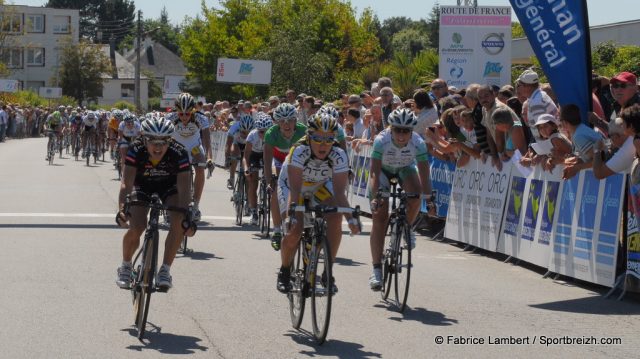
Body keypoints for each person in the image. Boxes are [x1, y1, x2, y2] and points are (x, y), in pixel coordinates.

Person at [275, 113, 360, 293]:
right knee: (295, 229)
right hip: (293, 186)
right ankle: (284, 271)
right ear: (309, 136)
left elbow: (339, 193)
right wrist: (291, 215)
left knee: (336, 217)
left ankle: (328, 271)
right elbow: (295, 190)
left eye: (329, 139)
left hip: (320, 187)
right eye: (318, 138)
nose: (323, 144)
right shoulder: (299, 151)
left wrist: (351, 219)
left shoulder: (339, 154)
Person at [115, 117, 197, 290]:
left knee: (178, 222)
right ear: (144, 139)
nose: (158, 147)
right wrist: (122, 209)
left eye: (164, 142)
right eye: (153, 142)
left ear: (171, 140)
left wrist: (187, 217)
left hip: (169, 185)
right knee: (137, 226)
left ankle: (165, 270)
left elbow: (184, 188)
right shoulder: (135, 149)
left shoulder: (179, 152)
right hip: (141, 184)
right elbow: (126, 183)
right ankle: (126, 265)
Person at [367, 108, 433, 290]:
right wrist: (375, 197)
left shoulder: (418, 143)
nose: (402, 134)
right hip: (383, 172)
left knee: (416, 194)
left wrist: (430, 197)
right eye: (398, 129)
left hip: (405, 169)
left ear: (412, 131)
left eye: (406, 130)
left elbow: (425, 175)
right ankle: (376, 270)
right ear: (391, 128)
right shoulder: (381, 141)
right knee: (379, 218)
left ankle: (407, 228)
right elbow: (374, 172)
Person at [263, 103, 307, 250]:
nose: (286, 124)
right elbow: (267, 160)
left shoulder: (303, 131)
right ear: (277, 122)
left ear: (296, 120)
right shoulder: (271, 133)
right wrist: (269, 181)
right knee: (275, 188)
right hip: (279, 160)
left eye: (290, 120)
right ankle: (276, 230)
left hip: (297, 160)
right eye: (282, 121)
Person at [171, 93, 212, 221]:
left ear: (192, 111)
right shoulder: (170, 118)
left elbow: (207, 140)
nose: (184, 117)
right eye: (181, 114)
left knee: (201, 166)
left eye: (187, 114)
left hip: (194, 147)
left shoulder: (201, 118)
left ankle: (195, 205)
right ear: (176, 111)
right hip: (177, 147)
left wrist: (209, 157)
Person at [555, 104, 603, 179]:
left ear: (564, 122)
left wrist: (576, 168)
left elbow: (598, 160)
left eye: (559, 119)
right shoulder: (580, 130)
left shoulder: (578, 136)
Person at [243, 113, 273, 225]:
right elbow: (246, 156)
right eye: (261, 131)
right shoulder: (252, 135)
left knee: (270, 177)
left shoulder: (273, 135)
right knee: (253, 182)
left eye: (266, 131)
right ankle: (254, 211)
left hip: (267, 154)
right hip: (254, 155)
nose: (264, 134)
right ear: (257, 130)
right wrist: (246, 168)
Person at [593, 106, 639, 179]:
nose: (622, 127)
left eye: (609, 135)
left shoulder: (633, 144)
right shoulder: (633, 138)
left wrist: (596, 150)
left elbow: (599, 174)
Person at [515, 69, 559, 141]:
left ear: (528, 86)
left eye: (520, 85)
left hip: (549, 143)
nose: (518, 88)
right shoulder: (537, 96)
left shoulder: (537, 101)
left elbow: (544, 131)